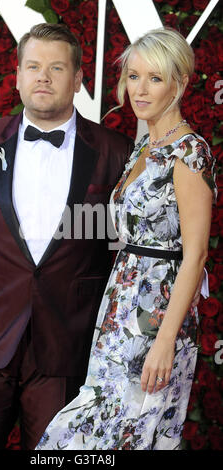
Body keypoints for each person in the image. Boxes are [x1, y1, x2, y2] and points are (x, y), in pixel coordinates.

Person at [0, 23, 134, 450]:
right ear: (19, 74)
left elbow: (119, 249)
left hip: (67, 345)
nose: (43, 76)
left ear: (78, 80)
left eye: (57, 67)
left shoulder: (116, 149)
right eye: (34, 66)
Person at [35, 27, 217, 451]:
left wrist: (165, 342)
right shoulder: (143, 147)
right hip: (119, 310)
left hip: (155, 320)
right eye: (133, 76)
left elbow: (196, 255)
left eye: (154, 78)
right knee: (102, 431)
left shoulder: (189, 152)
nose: (139, 89)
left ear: (180, 82)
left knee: (123, 433)